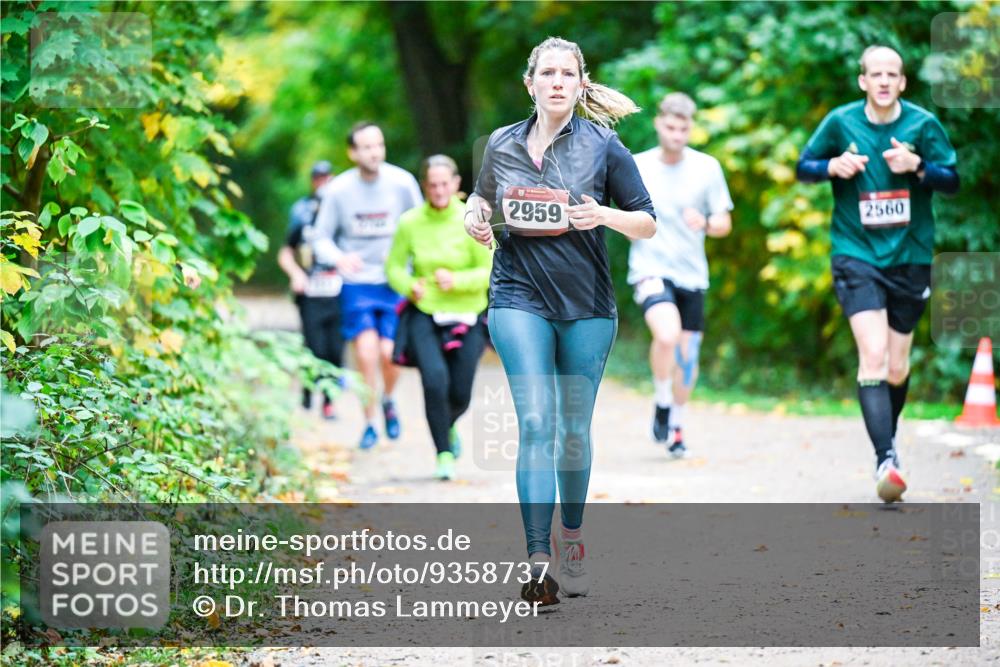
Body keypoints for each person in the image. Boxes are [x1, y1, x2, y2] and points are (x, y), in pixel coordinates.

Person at [466, 37, 655, 605]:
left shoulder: (605, 146)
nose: (555, 82)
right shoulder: (500, 143)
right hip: (517, 294)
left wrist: (603, 215)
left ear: (580, 84)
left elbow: (647, 222)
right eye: (545, 73)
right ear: (530, 84)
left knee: (572, 434)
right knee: (538, 424)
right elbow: (480, 201)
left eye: (565, 74)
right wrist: (474, 219)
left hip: (586, 304)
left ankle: (570, 539)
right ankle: (536, 559)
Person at [796, 45, 959, 503]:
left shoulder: (923, 125)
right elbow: (802, 168)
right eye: (875, 74)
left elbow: (952, 179)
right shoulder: (841, 122)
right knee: (872, 352)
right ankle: (886, 458)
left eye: (893, 74)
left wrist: (919, 167)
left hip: (910, 254)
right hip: (856, 251)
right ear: (863, 80)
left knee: (896, 364)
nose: (884, 81)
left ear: (903, 83)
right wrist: (831, 166)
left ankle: (888, 443)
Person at [628, 92, 733, 458]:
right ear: (658, 123)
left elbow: (724, 222)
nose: (676, 135)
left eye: (683, 128)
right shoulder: (636, 165)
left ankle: (676, 425)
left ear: (691, 128)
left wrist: (705, 222)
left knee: (688, 358)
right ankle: (661, 399)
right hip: (651, 269)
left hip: (692, 275)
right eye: (670, 127)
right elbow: (625, 214)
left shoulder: (707, 168)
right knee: (667, 335)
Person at [312, 122, 423, 450]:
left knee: (390, 355)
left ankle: (388, 399)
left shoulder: (402, 183)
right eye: (366, 147)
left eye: (379, 145)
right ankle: (369, 422)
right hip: (357, 283)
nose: (374, 152)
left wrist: (421, 268)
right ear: (352, 152)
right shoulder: (338, 190)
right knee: (365, 352)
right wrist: (338, 258)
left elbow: (421, 226)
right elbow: (320, 237)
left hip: (394, 280)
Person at [386, 155, 492, 481]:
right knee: (434, 380)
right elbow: (392, 267)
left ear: (457, 185)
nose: (439, 190)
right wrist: (409, 285)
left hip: (467, 314)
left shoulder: (471, 219)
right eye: (432, 184)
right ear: (424, 186)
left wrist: (456, 281)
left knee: (460, 392)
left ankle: (448, 427)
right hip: (426, 312)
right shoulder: (410, 222)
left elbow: (489, 270)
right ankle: (443, 452)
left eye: (445, 183)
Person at [277, 160, 343, 420]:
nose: (323, 183)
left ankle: (329, 400)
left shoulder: (343, 211)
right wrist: (296, 274)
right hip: (311, 292)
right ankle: (308, 389)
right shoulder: (303, 214)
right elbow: (286, 250)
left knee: (335, 349)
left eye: (327, 178)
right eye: (318, 178)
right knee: (314, 345)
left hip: (338, 290)